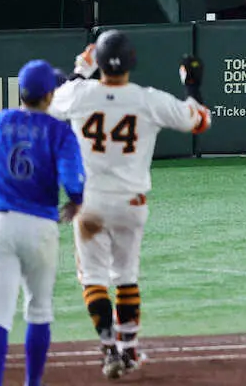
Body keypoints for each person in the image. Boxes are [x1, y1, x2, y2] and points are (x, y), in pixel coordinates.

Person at [49, 31, 210, 379]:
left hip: (90, 204)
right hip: (130, 203)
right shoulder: (146, 99)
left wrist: (82, 69)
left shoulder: (79, 94)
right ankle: (129, 350)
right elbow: (200, 121)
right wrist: (193, 85)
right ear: (133, 62)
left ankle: (109, 347)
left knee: (92, 279)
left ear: (101, 63)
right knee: (125, 277)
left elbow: (54, 101)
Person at [0, 59, 85, 386]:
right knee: (38, 310)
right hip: (40, 226)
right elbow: (74, 181)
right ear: (50, 95)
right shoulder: (59, 131)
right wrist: (76, 202)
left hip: (0, 225)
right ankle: (32, 383)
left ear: (22, 92)